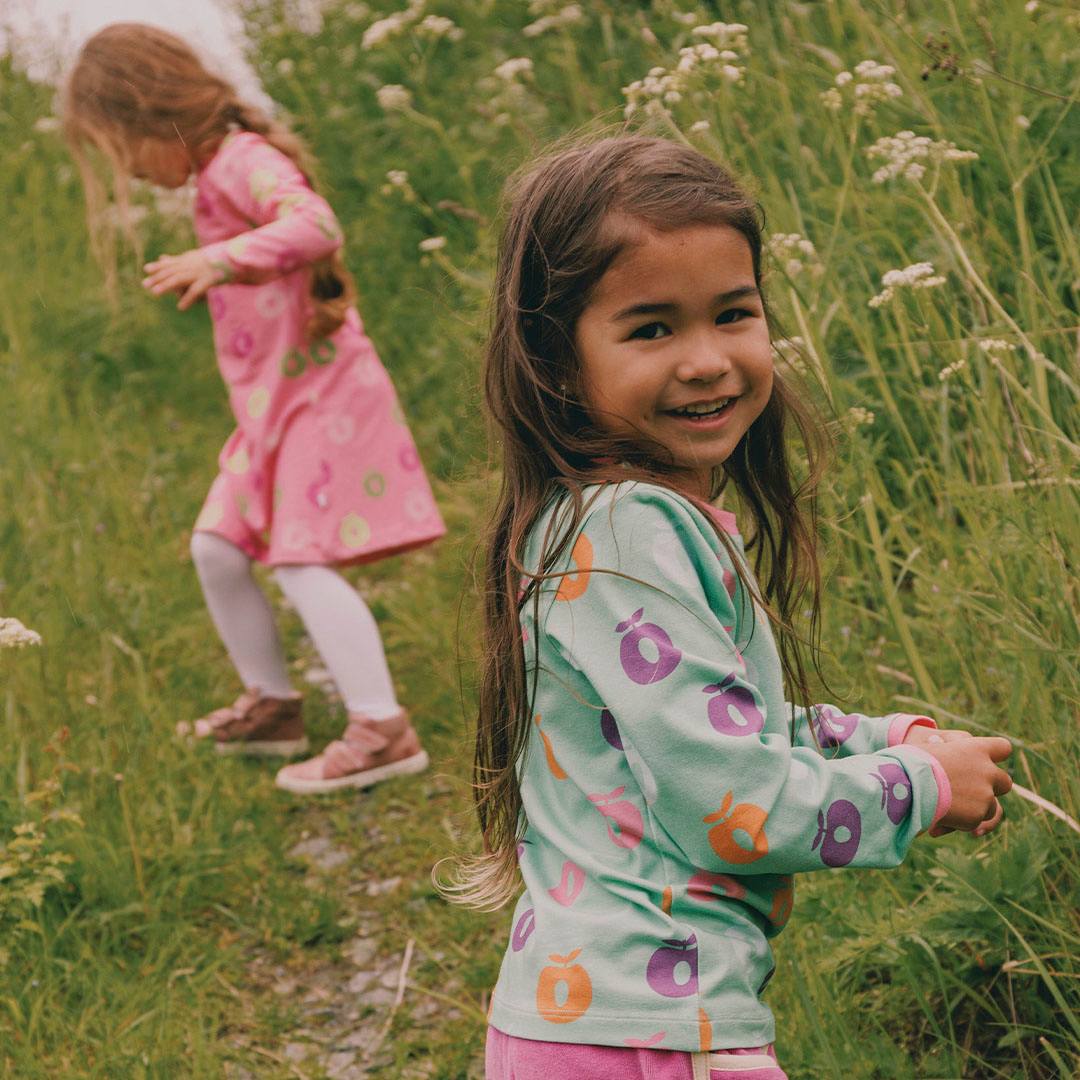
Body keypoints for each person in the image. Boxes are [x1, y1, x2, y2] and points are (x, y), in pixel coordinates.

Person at [453, 135, 1013, 1080]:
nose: (708, 360)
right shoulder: (628, 531)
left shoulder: (610, 521)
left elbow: (711, 730)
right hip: (652, 1033)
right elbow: (735, 805)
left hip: (594, 1021)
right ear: (557, 359)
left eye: (733, 314)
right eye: (652, 330)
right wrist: (918, 788)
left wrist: (882, 738)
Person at [63, 24, 445, 795]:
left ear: (152, 113)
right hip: (272, 408)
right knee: (216, 546)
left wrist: (220, 258)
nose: (128, 171)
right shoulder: (213, 178)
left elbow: (316, 223)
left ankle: (383, 730)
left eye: (125, 150)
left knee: (300, 558)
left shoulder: (241, 159)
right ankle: (274, 708)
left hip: (322, 396)